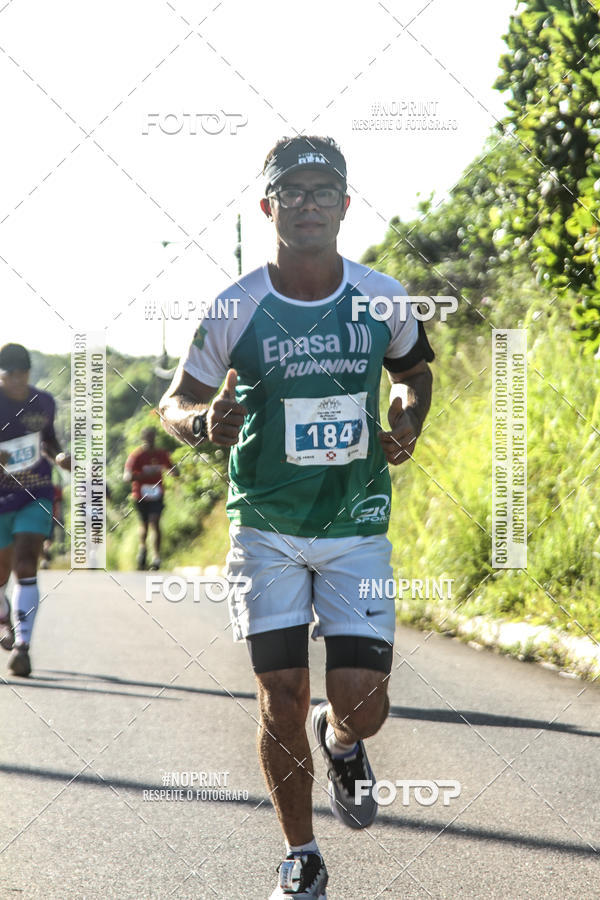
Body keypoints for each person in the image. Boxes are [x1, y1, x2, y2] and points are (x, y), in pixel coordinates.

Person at [159, 136, 434, 899]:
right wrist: (197, 425)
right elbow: (174, 400)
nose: (308, 203)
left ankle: (342, 741)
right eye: (293, 191)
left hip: (356, 525)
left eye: (323, 191)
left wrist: (406, 421)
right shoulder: (236, 307)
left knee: (364, 705)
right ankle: (302, 855)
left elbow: (412, 374)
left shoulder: (381, 297)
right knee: (279, 688)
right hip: (266, 525)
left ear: (346, 205)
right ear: (267, 205)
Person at [0, 343, 71, 677]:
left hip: (34, 491)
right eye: (11, 375)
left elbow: (49, 440)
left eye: (23, 374)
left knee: (27, 560)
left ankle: (23, 647)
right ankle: (5, 618)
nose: (18, 381)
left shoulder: (43, 402)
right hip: (1, 499)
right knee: (1, 574)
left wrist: (59, 457)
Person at [123, 426, 179, 570]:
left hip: (156, 493)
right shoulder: (136, 456)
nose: (150, 439)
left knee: (155, 522)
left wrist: (173, 471)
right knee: (145, 525)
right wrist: (144, 475)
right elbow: (127, 476)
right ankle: (142, 550)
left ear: (155, 437)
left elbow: (172, 468)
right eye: (148, 436)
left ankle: (156, 557)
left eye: (152, 436)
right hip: (140, 495)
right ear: (143, 438)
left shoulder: (161, 454)